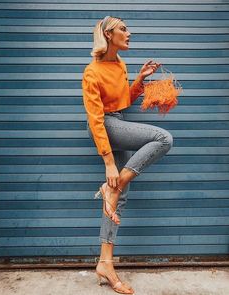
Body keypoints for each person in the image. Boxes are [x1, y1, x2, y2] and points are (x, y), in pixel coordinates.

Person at [82, 15, 173, 294]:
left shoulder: (120, 64)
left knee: (118, 199)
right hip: (105, 126)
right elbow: (96, 119)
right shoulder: (91, 72)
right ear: (109, 34)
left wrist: (140, 81)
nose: (129, 33)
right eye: (123, 28)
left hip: (117, 121)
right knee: (163, 138)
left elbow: (122, 102)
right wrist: (110, 164)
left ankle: (104, 264)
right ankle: (115, 186)